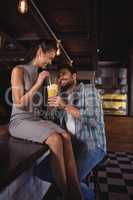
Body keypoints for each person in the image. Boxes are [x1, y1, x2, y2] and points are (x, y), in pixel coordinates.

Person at [9, 41, 83, 200]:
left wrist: (53, 99)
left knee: (66, 137)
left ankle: (75, 190)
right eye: (48, 58)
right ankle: (67, 194)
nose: (50, 62)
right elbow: (19, 102)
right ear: (39, 51)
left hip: (35, 119)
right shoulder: (18, 70)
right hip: (19, 121)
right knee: (55, 139)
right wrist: (38, 83)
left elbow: (45, 109)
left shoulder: (41, 74)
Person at [47, 66, 107, 200]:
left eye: (64, 74)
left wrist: (65, 106)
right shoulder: (61, 97)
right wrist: (51, 108)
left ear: (74, 76)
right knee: (42, 171)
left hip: (92, 145)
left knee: (70, 180)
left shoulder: (89, 90)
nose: (60, 77)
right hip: (73, 148)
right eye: (58, 75)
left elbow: (93, 120)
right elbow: (54, 122)